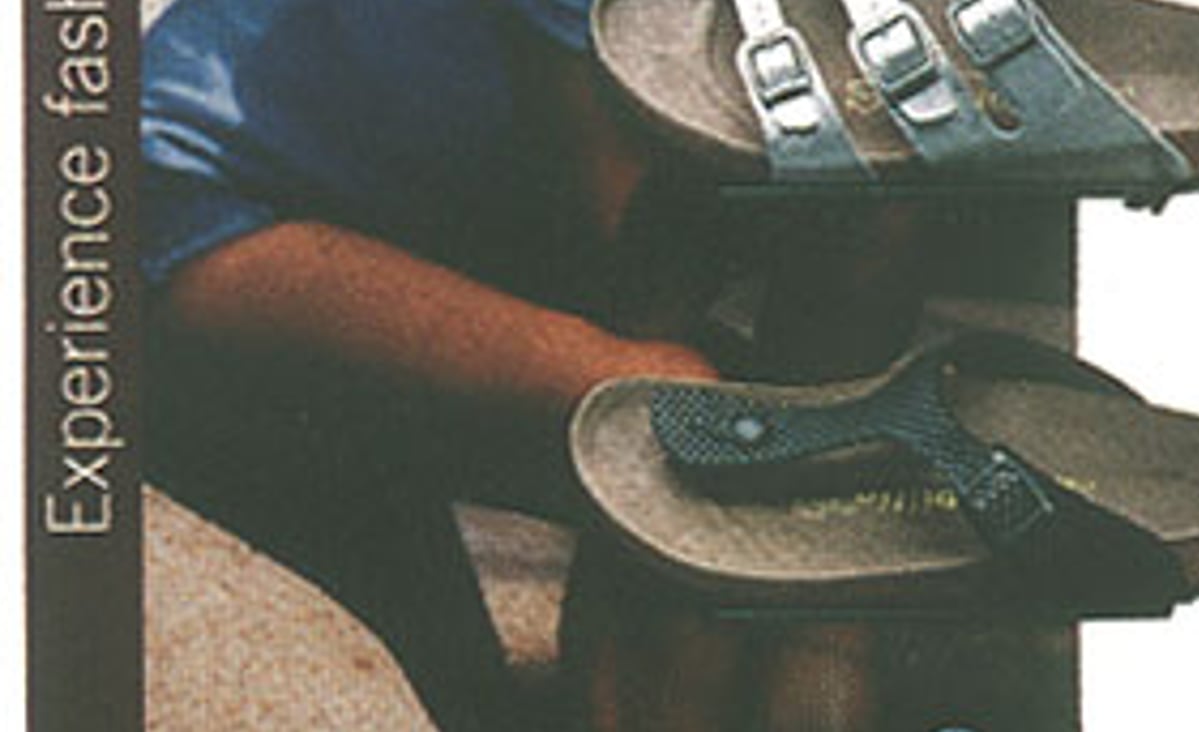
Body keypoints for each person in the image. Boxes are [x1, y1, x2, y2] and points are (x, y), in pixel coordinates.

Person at [142, 0, 915, 729]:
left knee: (761, 464)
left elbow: (863, 265)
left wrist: (832, 615)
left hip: (382, 205)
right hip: (186, 216)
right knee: (687, 433)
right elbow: (631, 282)